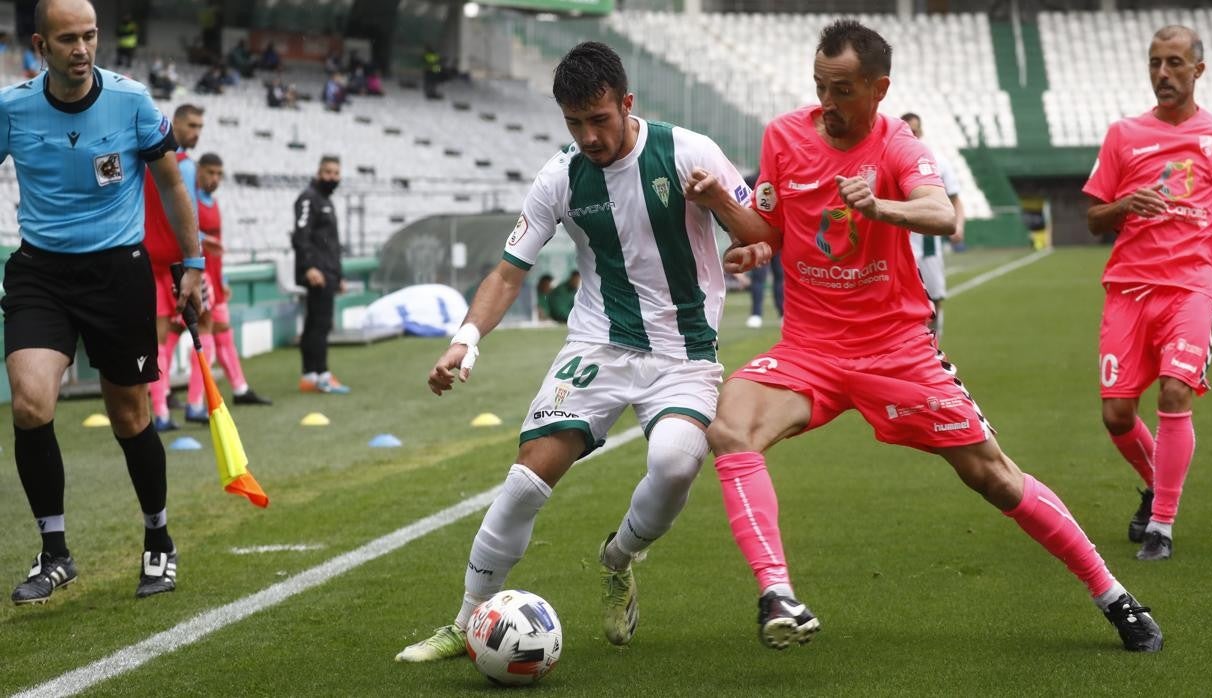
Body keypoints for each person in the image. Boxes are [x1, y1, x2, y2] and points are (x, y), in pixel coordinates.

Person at [684, 20, 1162, 653]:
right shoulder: (783, 136)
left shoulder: (898, 145)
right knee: (730, 428)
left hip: (897, 351)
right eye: (821, 88)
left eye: (845, 91)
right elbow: (768, 230)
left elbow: (938, 212)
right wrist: (729, 212)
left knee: (994, 476)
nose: (828, 104)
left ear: (879, 89)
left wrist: (882, 207)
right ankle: (778, 594)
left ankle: (1114, 596)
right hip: (809, 351)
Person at [395, 40, 756, 663]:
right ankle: (464, 622)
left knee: (674, 466)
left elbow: (762, 232)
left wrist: (721, 203)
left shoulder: (689, 151)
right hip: (598, 345)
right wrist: (465, 340)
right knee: (526, 477)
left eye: (600, 119)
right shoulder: (560, 176)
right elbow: (509, 271)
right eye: (574, 123)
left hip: (684, 352)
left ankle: (618, 559)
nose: (589, 136)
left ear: (627, 103)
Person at [3, 0, 203, 605]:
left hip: (119, 272)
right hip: (40, 271)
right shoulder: (11, 107)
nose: (83, 49)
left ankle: (158, 540)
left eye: (90, 36)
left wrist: (192, 266)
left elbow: (170, 183)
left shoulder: (132, 100)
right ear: (41, 46)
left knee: (130, 417)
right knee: (31, 403)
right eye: (68, 40)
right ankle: (56, 552)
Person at [1084, 25, 1212, 562]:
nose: (1163, 74)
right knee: (1116, 414)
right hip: (1129, 287)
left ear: (1197, 70)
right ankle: (1158, 481)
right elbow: (1093, 219)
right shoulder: (1123, 135)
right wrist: (1126, 203)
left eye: (1175, 63)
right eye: (1155, 63)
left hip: (1192, 286)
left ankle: (1162, 525)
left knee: (1175, 394)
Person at [183, 153, 272, 425]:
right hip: (199, 276)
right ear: (198, 172)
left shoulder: (213, 203)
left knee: (223, 333)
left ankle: (240, 389)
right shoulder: (191, 200)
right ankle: (194, 403)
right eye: (210, 173)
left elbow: (217, 246)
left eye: (219, 174)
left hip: (215, 277)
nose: (215, 179)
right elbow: (184, 231)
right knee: (205, 335)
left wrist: (224, 279)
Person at [142, 103, 206, 432]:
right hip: (174, 265)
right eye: (192, 126)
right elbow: (190, 216)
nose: (196, 133)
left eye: (200, 127)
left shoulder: (143, 162)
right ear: (175, 124)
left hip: (156, 260)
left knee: (163, 337)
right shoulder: (183, 167)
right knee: (195, 330)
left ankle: (165, 406)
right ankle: (181, 406)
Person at [900, 112, 965, 340]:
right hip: (900, 240)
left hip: (928, 242)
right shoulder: (889, 157)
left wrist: (959, 225)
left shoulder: (937, 160)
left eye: (915, 131)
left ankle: (935, 343)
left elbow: (955, 199)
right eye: (908, 131)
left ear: (922, 132)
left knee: (935, 296)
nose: (912, 135)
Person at [293, 155, 349, 394]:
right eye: (328, 172)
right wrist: (309, 268)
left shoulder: (326, 200)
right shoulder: (308, 198)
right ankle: (321, 375)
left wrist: (339, 275)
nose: (332, 177)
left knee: (315, 323)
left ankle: (310, 376)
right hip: (316, 273)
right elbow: (300, 236)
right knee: (320, 325)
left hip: (328, 273)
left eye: (336, 173)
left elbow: (331, 245)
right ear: (318, 172)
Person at [743, 173, 783, 329]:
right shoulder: (752, 180)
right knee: (758, 277)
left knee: (780, 276)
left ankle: (783, 313)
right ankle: (756, 314)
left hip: (779, 236)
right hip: (759, 238)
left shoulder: (782, 178)